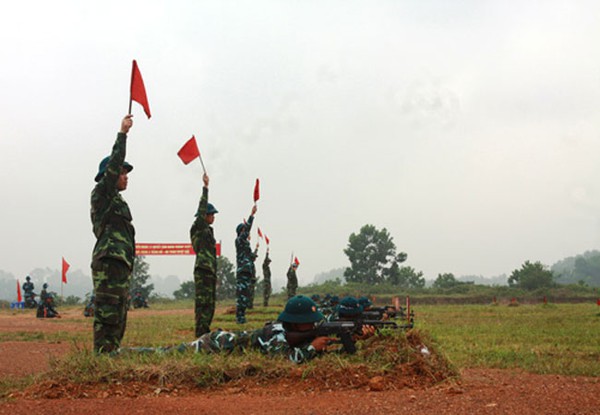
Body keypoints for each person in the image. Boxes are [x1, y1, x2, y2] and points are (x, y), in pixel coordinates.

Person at [90, 114, 136, 354]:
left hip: (120, 265)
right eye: (121, 172)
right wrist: (123, 133)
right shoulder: (102, 195)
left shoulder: (118, 203)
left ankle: (111, 357)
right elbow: (113, 166)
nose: (125, 175)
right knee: (107, 314)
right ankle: (101, 360)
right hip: (108, 263)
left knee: (118, 315)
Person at [190, 173, 219, 337]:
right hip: (203, 270)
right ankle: (200, 332)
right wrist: (205, 188)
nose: (213, 217)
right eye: (211, 214)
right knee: (203, 303)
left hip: (209, 271)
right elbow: (202, 209)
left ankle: (205, 331)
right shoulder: (199, 226)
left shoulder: (208, 230)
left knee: (210, 303)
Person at [235, 205, 257, 324]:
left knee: (246, 296)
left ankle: (242, 316)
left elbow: (250, 257)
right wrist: (252, 215)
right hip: (242, 271)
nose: (246, 232)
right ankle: (239, 318)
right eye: (244, 230)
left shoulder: (245, 245)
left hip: (247, 271)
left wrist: (255, 253)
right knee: (241, 297)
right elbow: (246, 231)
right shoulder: (239, 241)